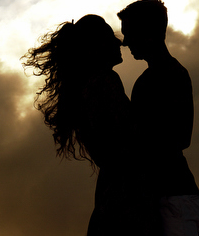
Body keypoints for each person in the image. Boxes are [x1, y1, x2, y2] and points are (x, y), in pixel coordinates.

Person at [24, 14, 160, 236]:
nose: (119, 43)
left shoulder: (86, 87)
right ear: (95, 47)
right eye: (109, 38)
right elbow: (129, 140)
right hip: (128, 195)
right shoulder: (104, 82)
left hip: (113, 191)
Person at [118, 0, 199, 236]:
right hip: (160, 195)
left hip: (175, 195)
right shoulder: (146, 80)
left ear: (148, 33)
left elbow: (181, 137)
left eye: (129, 33)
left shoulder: (172, 74)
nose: (125, 42)